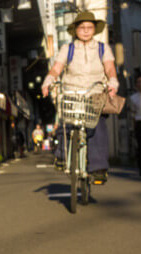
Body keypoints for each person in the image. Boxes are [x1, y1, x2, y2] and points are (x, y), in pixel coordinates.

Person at [39, 10, 118, 184]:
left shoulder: (103, 48)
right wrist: (48, 81)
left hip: (95, 93)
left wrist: (112, 81)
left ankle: (98, 169)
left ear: (94, 29)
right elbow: (57, 68)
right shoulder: (68, 48)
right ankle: (61, 156)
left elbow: (110, 67)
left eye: (89, 27)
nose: (86, 30)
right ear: (75, 30)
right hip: (72, 92)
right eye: (82, 27)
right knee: (66, 123)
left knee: (99, 126)